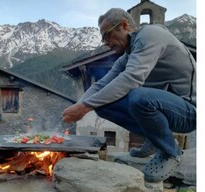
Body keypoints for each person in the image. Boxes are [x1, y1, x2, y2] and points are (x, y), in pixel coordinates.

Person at [62, 8, 196, 182]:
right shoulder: (127, 56)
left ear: (124, 26)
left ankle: (170, 151)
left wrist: (84, 107)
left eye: (107, 35)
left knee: (138, 97)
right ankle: (154, 138)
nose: (105, 42)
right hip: (167, 109)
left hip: (190, 111)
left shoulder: (151, 34)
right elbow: (101, 85)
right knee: (102, 104)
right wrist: (79, 105)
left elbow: (131, 78)